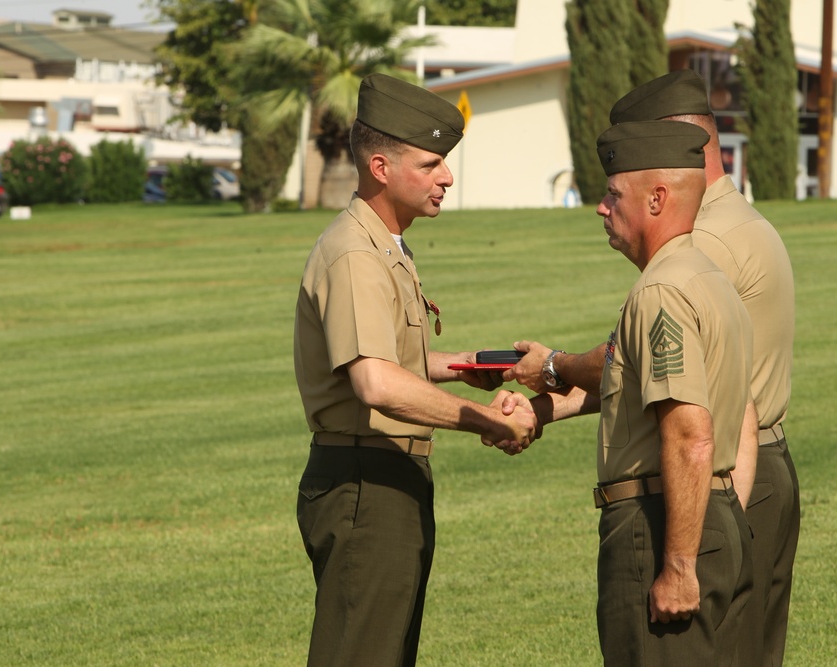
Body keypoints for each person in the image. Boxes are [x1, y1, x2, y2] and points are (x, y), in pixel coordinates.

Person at [505, 69, 799, 666]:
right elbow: (701, 393)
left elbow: (689, 427)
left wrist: (554, 370)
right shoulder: (713, 258)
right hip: (727, 487)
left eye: (615, 191)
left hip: (673, 504)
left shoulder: (676, 275)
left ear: (660, 187)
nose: (601, 207)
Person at [294, 73, 536, 667]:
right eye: (430, 164)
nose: (446, 177)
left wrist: (460, 366)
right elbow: (374, 382)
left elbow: (385, 357)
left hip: (382, 475)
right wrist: (486, 420)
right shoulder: (356, 253)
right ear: (380, 167)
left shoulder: (385, 243)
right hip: (364, 480)